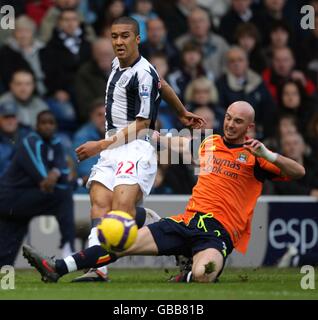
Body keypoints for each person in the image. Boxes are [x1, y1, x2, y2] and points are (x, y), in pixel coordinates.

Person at [23, 101, 305, 283]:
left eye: (237, 122)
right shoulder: (210, 143)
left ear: (250, 127)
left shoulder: (256, 156)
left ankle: (187, 273)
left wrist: (270, 154)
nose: (230, 124)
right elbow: (176, 145)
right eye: (228, 118)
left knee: (203, 274)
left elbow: (298, 172)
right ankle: (58, 267)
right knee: (122, 243)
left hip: (218, 232)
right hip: (187, 222)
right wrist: (149, 134)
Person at [58, 16, 205, 282]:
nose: (118, 41)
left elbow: (142, 125)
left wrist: (97, 146)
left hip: (136, 145)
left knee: (119, 210)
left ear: (138, 39)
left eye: (125, 36)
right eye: (114, 36)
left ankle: (171, 239)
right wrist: (181, 111)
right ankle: (99, 268)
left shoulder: (143, 73)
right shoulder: (120, 62)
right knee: (98, 205)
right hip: (113, 146)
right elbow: (164, 83)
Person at [0, 110, 75, 267]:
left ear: (55, 125)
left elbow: (65, 172)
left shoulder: (56, 143)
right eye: (44, 123)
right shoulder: (31, 142)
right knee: (63, 195)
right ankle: (68, 246)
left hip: (25, 199)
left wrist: (55, 173)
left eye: (51, 123)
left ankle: (5, 282)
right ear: (36, 126)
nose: (48, 126)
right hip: (10, 198)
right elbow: (43, 178)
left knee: (8, 248)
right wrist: (56, 173)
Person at [0, 101, 31, 177]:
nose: (10, 121)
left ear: (18, 119)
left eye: (13, 117)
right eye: (6, 117)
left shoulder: (28, 135)